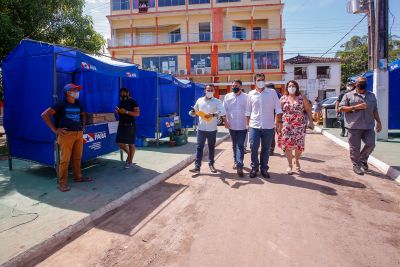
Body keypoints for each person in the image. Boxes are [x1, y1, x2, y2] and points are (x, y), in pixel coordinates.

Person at [41, 84, 93, 192]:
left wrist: (83, 126)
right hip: (66, 135)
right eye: (75, 89)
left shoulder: (78, 103)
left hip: (78, 134)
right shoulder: (61, 104)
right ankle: (62, 183)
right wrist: (55, 130)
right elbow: (44, 115)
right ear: (68, 92)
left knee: (77, 157)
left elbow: (83, 114)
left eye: (77, 90)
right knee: (65, 160)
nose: (77, 91)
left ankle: (78, 177)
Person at [339, 77, 382, 175]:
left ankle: (363, 159)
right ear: (356, 84)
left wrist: (379, 122)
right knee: (354, 148)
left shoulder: (371, 96)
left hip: (368, 126)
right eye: (360, 82)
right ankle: (356, 166)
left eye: (364, 82)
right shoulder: (348, 95)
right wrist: (355, 107)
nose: (362, 84)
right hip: (354, 126)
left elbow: (375, 110)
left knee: (371, 144)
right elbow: (341, 108)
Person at [246, 73, 283, 178]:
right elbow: (248, 111)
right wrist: (248, 125)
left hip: (268, 126)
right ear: (255, 82)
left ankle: (264, 168)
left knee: (266, 149)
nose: (260, 81)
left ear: (265, 81)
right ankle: (254, 167)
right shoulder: (251, 94)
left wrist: (279, 122)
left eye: (262, 80)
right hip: (254, 126)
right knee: (253, 147)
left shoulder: (272, 93)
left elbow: (278, 109)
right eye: (258, 80)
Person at [278, 80, 314, 174]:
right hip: (287, 126)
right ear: (287, 88)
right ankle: (289, 164)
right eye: (289, 86)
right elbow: (279, 112)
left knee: (299, 146)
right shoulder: (283, 99)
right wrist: (278, 124)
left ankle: (297, 160)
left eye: (293, 86)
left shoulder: (302, 98)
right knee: (288, 146)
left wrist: (311, 122)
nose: (291, 87)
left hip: (299, 126)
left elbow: (308, 110)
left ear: (296, 87)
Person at [189, 84, 225, 174]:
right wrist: (192, 112)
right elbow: (194, 112)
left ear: (214, 91)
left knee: (211, 148)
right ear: (205, 91)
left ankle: (211, 165)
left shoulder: (217, 101)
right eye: (208, 90)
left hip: (212, 129)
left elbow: (222, 111)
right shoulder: (199, 100)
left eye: (211, 90)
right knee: (199, 147)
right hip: (201, 129)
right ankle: (197, 167)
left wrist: (213, 114)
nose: (209, 92)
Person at [223, 80, 248, 177]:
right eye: (233, 85)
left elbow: (249, 111)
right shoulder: (227, 96)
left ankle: (239, 165)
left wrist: (248, 123)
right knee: (234, 145)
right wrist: (225, 121)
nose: (234, 87)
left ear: (241, 87)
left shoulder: (246, 97)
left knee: (240, 145)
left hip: (243, 126)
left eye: (236, 85)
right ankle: (235, 160)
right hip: (232, 125)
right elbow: (224, 110)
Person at [115, 88, 140, 169]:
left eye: (123, 93)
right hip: (121, 124)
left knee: (131, 143)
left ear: (127, 93)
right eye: (120, 93)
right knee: (119, 142)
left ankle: (130, 162)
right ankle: (130, 155)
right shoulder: (121, 101)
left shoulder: (133, 101)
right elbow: (120, 112)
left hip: (130, 124)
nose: (122, 94)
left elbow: (137, 113)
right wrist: (117, 111)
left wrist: (126, 111)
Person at [268, 84, 283, 156]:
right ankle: (283, 147)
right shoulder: (279, 95)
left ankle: (271, 149)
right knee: (279, 133)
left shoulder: (278, 96)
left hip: (276, 117)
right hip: (277, 117)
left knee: (273, 134)